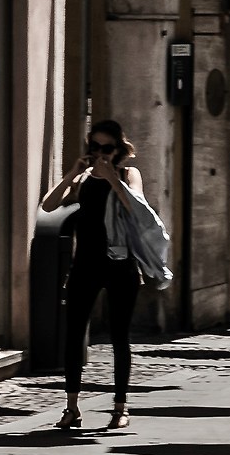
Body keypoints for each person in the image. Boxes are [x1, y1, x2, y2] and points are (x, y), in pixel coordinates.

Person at [41, 119, 150, 433]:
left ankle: (120, 407)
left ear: (118, 149)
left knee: (119, 337)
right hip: (85, 265)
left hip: (120, 265)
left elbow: (137, 209)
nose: (100, 154)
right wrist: (74, 172)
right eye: (94, 147)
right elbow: (48, 205)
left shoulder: (130, 174)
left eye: (106, 148)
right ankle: (72, 407)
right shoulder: (84, 177)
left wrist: (113, 178)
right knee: (74, 335)